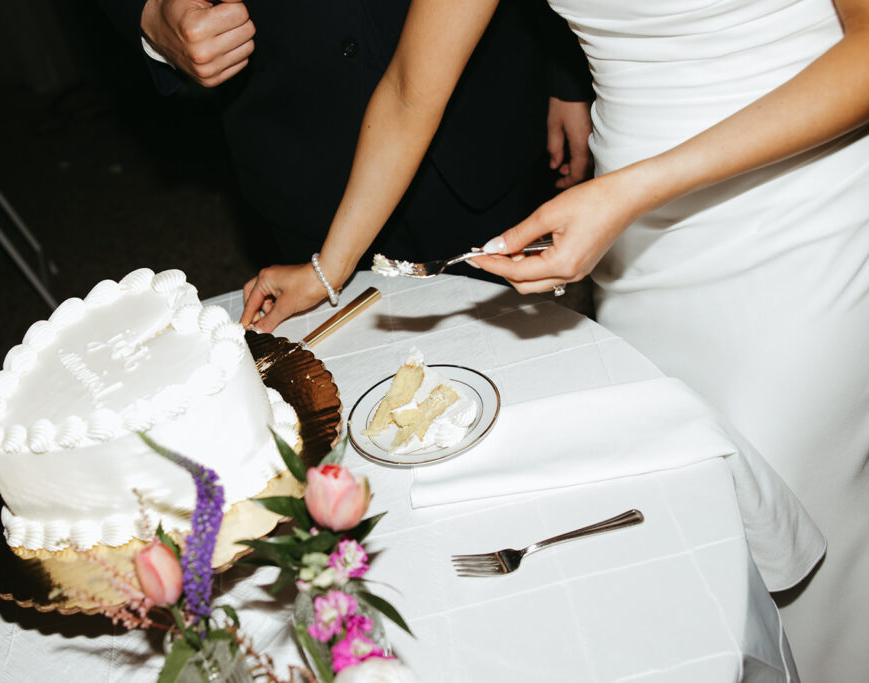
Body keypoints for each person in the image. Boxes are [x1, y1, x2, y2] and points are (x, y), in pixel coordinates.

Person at [241, 0, 869, 678]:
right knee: (664, 516)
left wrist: (635, 189)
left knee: (795, 509)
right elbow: (410, 86)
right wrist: (327, 268)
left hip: (798, 206)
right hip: (637, 237)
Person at [98, 0, 593, 306]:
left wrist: (567, 69)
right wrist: (151, 12)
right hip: (294, 138)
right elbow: (408, 94)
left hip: (483, 118)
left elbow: (410, 91)